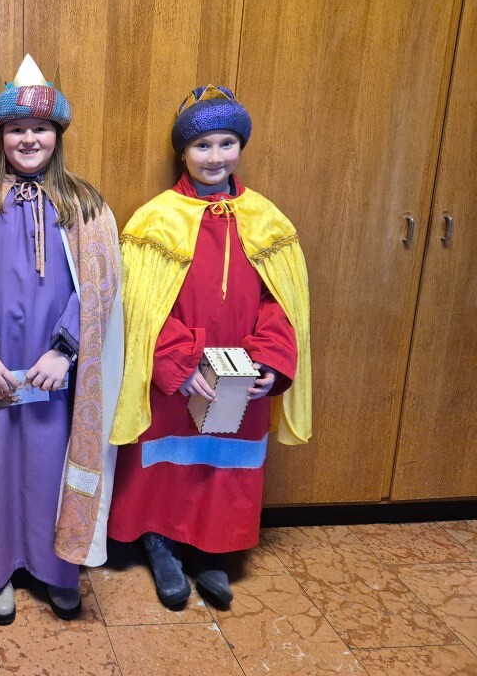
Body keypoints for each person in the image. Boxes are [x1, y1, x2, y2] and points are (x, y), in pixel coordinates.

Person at [0, 56, 122, 625]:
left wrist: (65, 351)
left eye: (40, 128)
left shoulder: (85, 205)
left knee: (50, 464)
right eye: (17, 129)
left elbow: (101, 286)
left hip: (53, 371)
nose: (29, 138)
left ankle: (57, 571)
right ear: (1, 135)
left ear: (57, 134)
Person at [108, 85, 312, 608]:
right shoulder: (155, 220)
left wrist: (269, 360)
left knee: (226, 460)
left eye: (226, 143)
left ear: (241, 147)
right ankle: (160, 543)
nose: (215, 156)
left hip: (240, 373)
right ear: (183, 152)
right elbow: (142, 309)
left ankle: (212, 549)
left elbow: (281, 303)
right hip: (177, 373)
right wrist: (177, 363)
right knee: (165, 457)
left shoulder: (267, 220)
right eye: (202, 145)